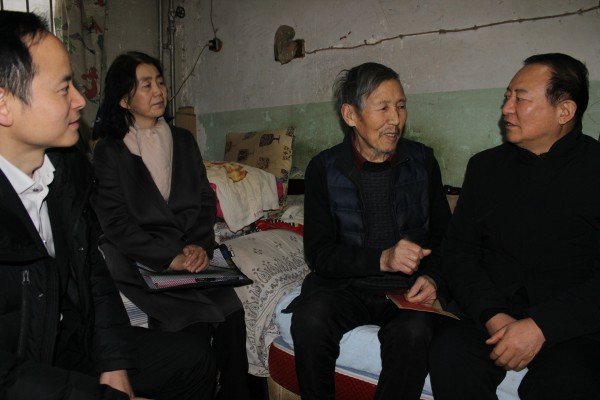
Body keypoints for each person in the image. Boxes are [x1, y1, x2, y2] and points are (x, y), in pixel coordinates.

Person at [0, 10, 215, 400]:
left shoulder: (66, 172)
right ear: (4, 103)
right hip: (17, 371)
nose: (80, 101)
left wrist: (113, 363)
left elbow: (93, 279)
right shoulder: (110, 154)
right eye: (63, 89)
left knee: (193, 357)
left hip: (65, 343)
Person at [429, 53, 600, 399]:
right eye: (507, 97)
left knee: (569, 382)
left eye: (520, 99)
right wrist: (493, 314)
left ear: (564, 111)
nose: (506, 109)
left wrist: (542, 326)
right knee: (450, 355)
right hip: (492, 314)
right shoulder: (485, 168)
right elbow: (459, 252)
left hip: (573, 327)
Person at [90, 51, 250, 400]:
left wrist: (199, 247)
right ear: (124, 99)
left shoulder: (182, 140)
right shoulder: (110, 152)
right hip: (145, 258)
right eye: (146, 85)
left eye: (160, 82)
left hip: (191, 253)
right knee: (190, 325)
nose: (159, 91)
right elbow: (115, 222)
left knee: (232, 315)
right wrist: (169, 257)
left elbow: (204, 201)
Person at [287, 62, 452, 400]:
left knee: (414, 331)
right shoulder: (324, 169)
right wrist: (382, 259)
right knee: (309, 318)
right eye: (383, 107)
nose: (396, 119)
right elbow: (320, 255)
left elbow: (446, 238)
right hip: (345, 288)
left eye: (401, 106)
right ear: (351, 114)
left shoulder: (422, 162)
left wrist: (433, 278)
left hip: (406, 292)